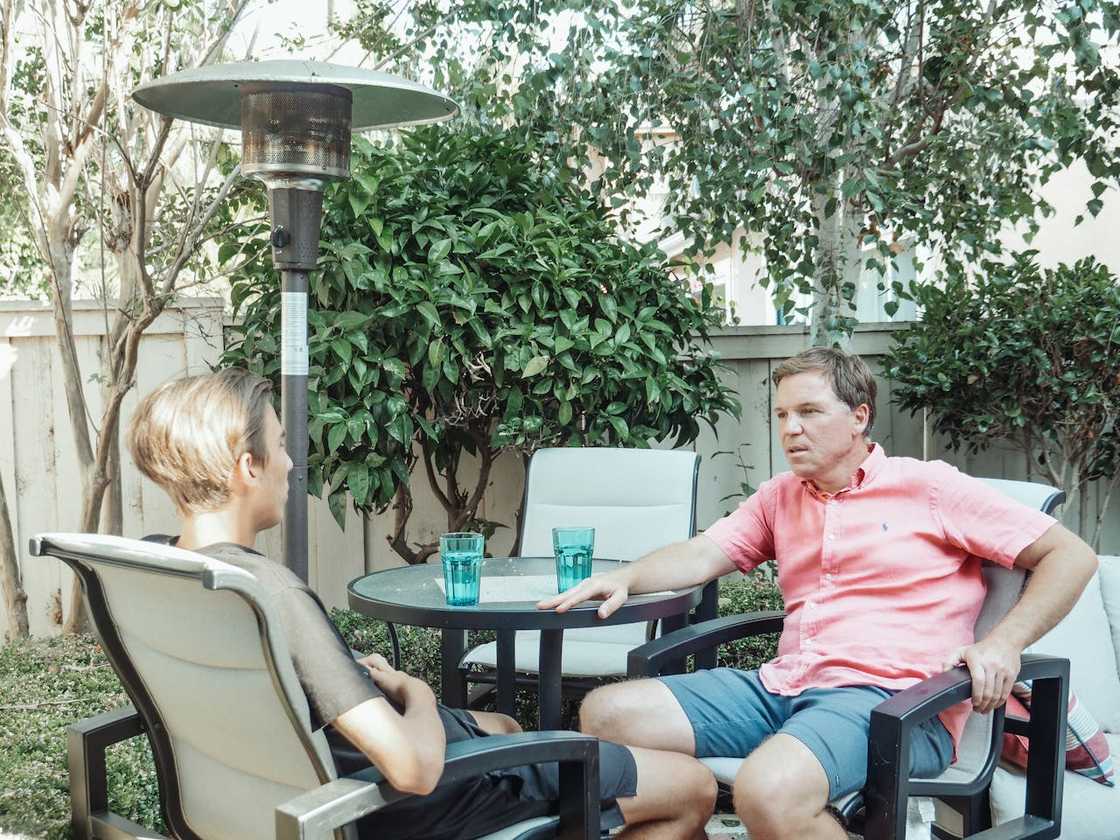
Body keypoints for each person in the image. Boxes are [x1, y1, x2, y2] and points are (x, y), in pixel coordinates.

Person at [127, 368, 717, 840]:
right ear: (248, 465)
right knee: (692, 787)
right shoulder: (272, 594)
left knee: (505, 723)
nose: (289, 461)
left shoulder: (165, 570)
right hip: (384, 805)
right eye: (281, 444)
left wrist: (353, 678)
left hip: (292, 782)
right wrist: (417, 693)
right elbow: (414, 770)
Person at [538, 347, 1098, 840]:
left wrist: (1004, 643)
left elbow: (1070, 555)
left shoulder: (930, 487)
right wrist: (627, 576)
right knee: (608, 714)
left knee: (767, 790)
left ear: (859, 418)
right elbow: (703, 553)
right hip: (785, 685)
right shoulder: (781, 496)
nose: (790, 429)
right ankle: (692, 811)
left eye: (808, 412)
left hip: (893, 703)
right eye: (782, 414)